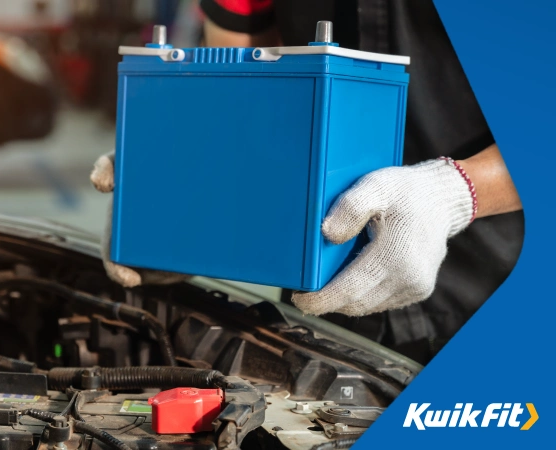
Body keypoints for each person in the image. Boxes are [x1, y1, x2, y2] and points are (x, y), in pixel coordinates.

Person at [90, 0, 524, 364]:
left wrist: (455, 192)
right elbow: (240, 79)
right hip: (318, 284)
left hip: (494, 287)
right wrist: (181, 162)